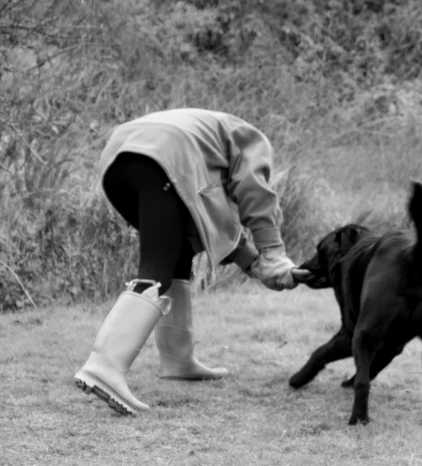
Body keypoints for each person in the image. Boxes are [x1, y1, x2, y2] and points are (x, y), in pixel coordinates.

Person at [74, 108, 303, 415]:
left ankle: (178, 359)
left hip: (119, 158)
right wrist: (272, 252)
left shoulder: (209, 150)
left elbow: (211, 218)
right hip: (162, 156)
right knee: (155, 270)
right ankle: (104, 366)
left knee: (176, 252)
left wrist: (252, 264)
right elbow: (254, 191)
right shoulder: (252, 140)